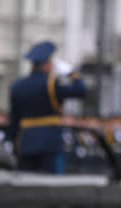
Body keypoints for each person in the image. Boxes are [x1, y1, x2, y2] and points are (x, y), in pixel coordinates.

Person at [8, 40, 87, 174]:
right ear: (46, 65)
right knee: (51, 187)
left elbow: (14, 119)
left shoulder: (17, 86)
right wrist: (72, 73)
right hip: (49, 143)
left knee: (24, 187)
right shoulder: (52, 84)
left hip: (26, 143)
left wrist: (12, 142)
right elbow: (81, 91)